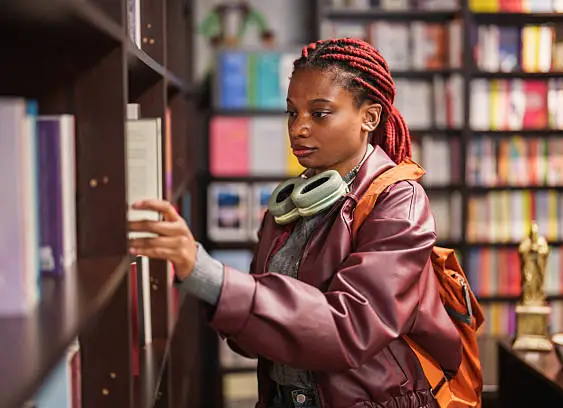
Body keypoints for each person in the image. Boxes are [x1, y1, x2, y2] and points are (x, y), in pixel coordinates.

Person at [128, 38, 462, 408]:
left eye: (319, 113)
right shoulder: (290, 202)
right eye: (292, 113)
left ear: (370, 117)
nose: (299, 128)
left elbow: (350, 327)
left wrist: (209, 275)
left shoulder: (398, 201)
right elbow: (251, 338)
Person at [518, 222, 549, 306]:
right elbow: (521, 250)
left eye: (535, 233)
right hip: (529, 265)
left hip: (538, 266)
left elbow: (545, 251)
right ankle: (527, 297)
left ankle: (538, 297)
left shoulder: (541, 241)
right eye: (532, 233)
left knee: (538, 282)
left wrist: (538, 251)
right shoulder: (526, 241)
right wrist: (529, 250)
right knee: (528, 280)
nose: (534, 235)